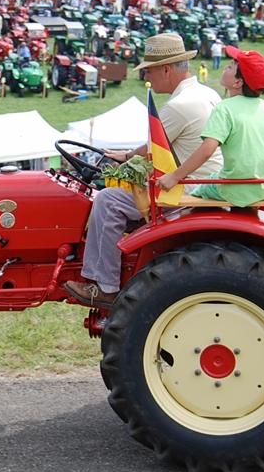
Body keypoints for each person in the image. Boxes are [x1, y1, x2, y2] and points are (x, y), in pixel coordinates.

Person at [62, 33, 223, 309]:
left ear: (166, 69)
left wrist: (124, 157)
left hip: (188, 189)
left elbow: (151, 149)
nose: (146, 76)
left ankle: (105, 285)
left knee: (107, 200)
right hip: (205, 181)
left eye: (148, 70)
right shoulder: (207, 93)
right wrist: (126, 156)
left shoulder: (180, 105)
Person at [158, 47, 264, 209]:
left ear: (238, 83)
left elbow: (207, 150)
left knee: (194, 196)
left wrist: (174, 176)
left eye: (230, 66)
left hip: (235, 189)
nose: (225, 67)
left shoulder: (225, 109)